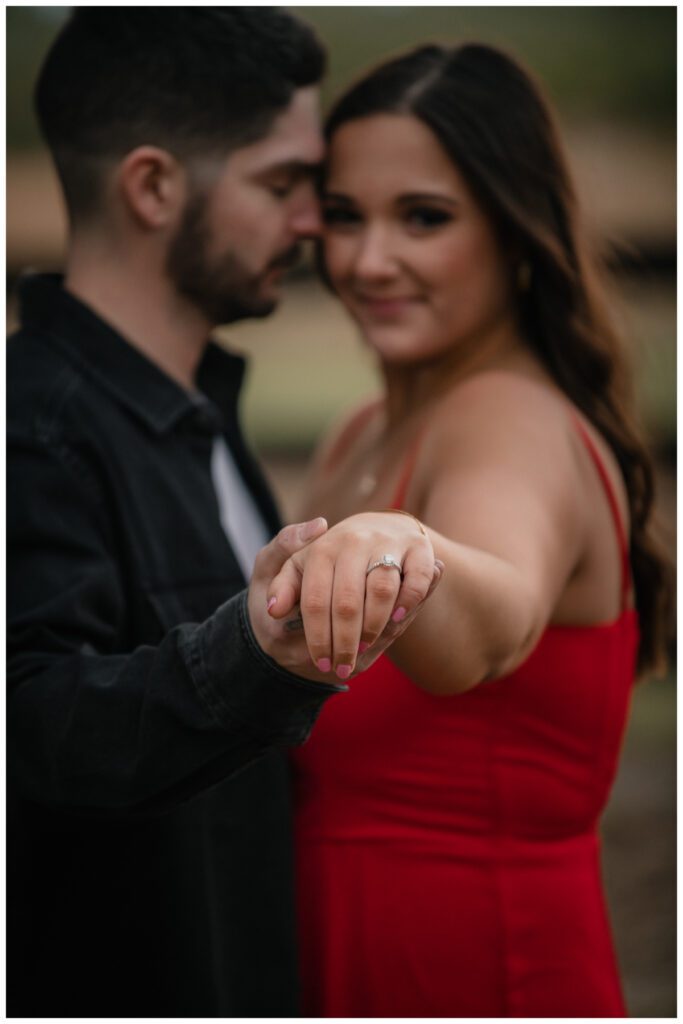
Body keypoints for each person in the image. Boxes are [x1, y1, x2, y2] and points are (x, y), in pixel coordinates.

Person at [6, 10, 442, 1017]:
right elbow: (29, 728)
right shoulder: (30, 425)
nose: (310, 223)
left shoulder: (194, 413)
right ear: (154, 185)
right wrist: (258, 651)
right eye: (282, 183)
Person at [268, 43, 673, 1016]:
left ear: (512, 226)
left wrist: (402, 545)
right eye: (344, 215)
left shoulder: (512, 419)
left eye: (423, 217)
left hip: (482, 976)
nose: (368, 260)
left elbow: (492, 620)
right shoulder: (360, 429)